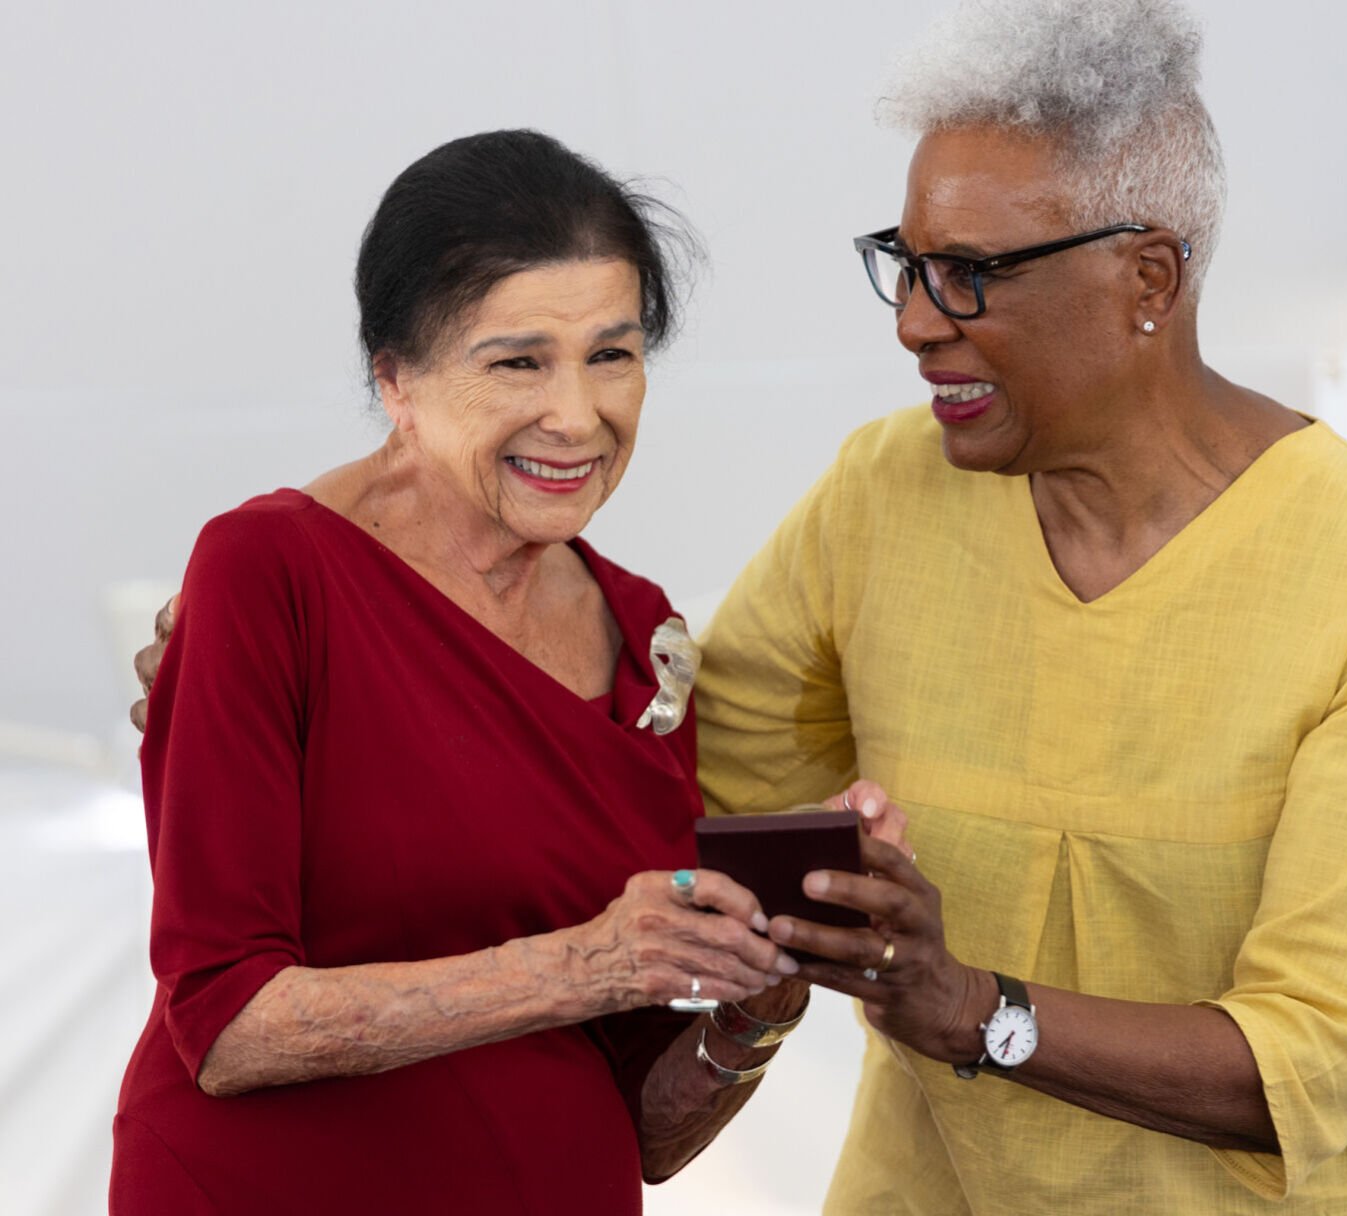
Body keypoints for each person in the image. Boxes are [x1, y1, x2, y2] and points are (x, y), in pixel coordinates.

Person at [689, 0, 1347, 1211]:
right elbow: (692, 780)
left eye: (970, 275)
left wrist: (968, 1007)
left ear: (1148, 279)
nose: (916, 323)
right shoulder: (879, 492)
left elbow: (1309, 1061)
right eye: (907, 264)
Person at [112, 129, 824, 1216]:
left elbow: (647, 1121)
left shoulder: (643, 634)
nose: (578, 416)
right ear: (393, 377)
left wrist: (759, 995)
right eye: (518, 361)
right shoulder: (268, 573)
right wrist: (585, 964)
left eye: (612, 354)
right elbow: (227, 1024)